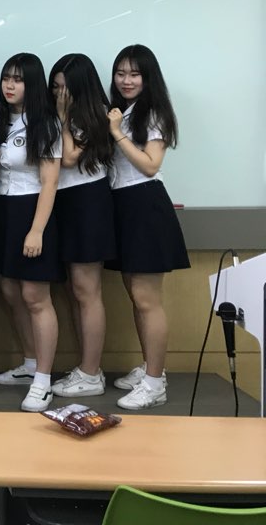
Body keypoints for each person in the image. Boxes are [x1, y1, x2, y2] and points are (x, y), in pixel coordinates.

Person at [107, 44, 189, 410]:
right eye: (121, 73)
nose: (126, 80)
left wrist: (117, 133)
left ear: (148, 77)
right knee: (135, 296)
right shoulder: (123, 111)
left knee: (146, 299)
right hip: (124, 205)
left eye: (134, 74)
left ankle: (155, 383)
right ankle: (150, 369)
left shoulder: (153, 111)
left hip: (145, 203)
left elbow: (151, 164)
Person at [0, 53, 63, 412]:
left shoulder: (45, 123)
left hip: (32, 208)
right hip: (0, 209)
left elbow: (50, 182)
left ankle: (44, 381)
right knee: (9, 290)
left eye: (18, 79)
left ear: (32, 84)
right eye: (6, 78)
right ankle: (31, 363)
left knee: (36, 296)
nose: (10, 85)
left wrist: (36, 230)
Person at [48, 54, 116, 398]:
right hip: (64, 201)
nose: (60, 95)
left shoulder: (96, 113)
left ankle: (91, 372)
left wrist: (62, 119)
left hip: (88, 201)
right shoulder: (60, 113)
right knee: (74, 290)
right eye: (56, 88)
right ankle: (86, 367)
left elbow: (70, 157)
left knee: (87, 290)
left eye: (66, 88)